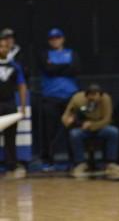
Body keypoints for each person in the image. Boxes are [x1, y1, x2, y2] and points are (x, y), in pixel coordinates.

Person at [39, 28, 81, 167]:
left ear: (62, 39)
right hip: (51, 98)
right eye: (52, 38)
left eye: (57, 37)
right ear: (49, 41)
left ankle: (75, 160)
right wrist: (65, 67)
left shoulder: (72, 53)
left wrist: (56, 67)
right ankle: (48, 160)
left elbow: (75, 69)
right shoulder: (45, 54)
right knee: (49, 131)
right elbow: (48, 69)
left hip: (70, 98)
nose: (55, 40)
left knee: (72, 129)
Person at [62, 84, 119, 179]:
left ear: (100, 96)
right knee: (74, 134)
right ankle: (80, 163)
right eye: (91, 96)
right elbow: (65, 116)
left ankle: (111, 163)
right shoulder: (77, 99)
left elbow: (107, 119)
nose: (93, 99)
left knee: (114, 132)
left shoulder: (106, 99)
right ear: (86, 95)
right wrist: (68, 121)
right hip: (82, 128)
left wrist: (92, 125)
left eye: (95, 96)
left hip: (100, 126)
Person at [0, 37, 27, 178]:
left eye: (5, 47)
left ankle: (11, 165)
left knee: (10, 136)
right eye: (0, 46)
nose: (3, 49)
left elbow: (22, 86)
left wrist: (22, 106)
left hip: (9, 104)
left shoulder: (15, 66)